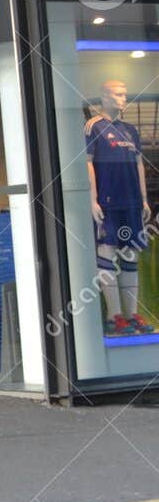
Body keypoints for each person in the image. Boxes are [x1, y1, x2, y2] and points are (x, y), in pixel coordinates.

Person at [86, 79, 154, 336]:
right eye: (118, 94)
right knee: (107, 250)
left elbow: (138, 164)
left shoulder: (130, 130)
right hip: (109, 202)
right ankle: (114, 316)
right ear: (104, 97)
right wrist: (93, 199)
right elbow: (88, 163)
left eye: (125, 94)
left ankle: (131, 313)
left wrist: (144, 198)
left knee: (130, 255)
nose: (123, 99)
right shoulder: (94, 127)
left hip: (132, 202)